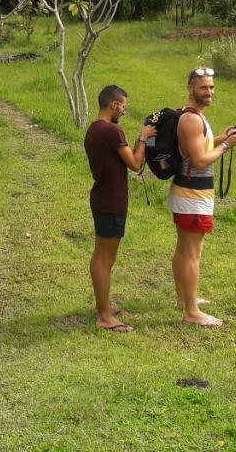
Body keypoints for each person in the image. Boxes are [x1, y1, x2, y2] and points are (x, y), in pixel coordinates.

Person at [170, 67, 236, 327]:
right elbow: (200, 159)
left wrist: (223, 137)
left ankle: (183, 298)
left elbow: (197, 149)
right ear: (191, 88)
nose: (209, 92)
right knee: (192, 253)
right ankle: (191, 312)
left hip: (188, 191)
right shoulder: (191, 119)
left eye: (211, 87)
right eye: (203, 87)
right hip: (192, 193)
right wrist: (226, 146)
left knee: (185, 249)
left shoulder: (195, 116)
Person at [84, 84, 156, 333]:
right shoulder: (112, 132)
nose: (124, 110)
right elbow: (135, 163)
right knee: (105, 259)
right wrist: (144, 137)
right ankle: (104, 315)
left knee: (101, 256)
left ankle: (102, 305)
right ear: (114, 105)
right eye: (123, 106)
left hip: (102, 197)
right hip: (111, 201)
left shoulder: (94, 128)